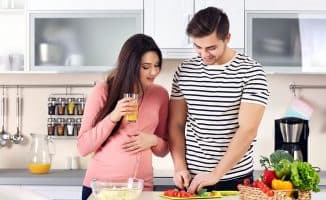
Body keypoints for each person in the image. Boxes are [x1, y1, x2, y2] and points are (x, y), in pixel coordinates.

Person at [168, 6, 269, 193]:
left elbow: (247, 130)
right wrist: (179, 166)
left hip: (234, 179)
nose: (204, 54)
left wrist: (216, 173)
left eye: (211, 47)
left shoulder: (252, 72)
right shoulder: (184, 71)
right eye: (198, 47)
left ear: (227, 38)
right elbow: (175, 123)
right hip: (191, 178)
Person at [77, 33, 169, 200]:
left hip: (141, 190)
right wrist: (114, 116)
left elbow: (164, 149)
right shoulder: (103, 91)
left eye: (157, 65)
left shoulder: (160, 95)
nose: (154, 72)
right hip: (101, 190)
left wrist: (153, 141)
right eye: (146, 67)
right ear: (130, 66)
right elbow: (83, 147)